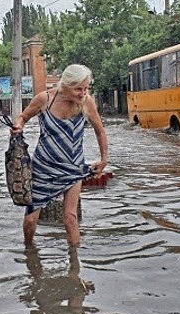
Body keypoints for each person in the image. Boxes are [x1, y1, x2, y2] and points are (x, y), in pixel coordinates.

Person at [10, 64, 108, 246]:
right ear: (65, 85)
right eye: (78, 88)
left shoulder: (86, 102)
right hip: (42, 169)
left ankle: (74, 268)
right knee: (31, 221)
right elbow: (23, 117)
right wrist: (18, 127)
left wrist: (104, 159)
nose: (82, 93)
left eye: (86, 88)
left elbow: (100, 131)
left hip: (73, 168)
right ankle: (29, 252)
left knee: (70, 219)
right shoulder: (44, 99)